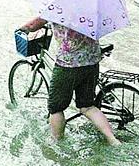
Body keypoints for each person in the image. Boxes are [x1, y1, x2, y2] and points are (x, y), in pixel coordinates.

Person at [19, 17, 121, 146]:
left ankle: (57, 142)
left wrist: (23, 29)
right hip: (92, 60)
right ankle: (112, 139)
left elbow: (33, 24)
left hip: (68, 64)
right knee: (88, 106)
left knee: (56, 108)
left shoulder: (59, 5)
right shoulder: (90, 5)